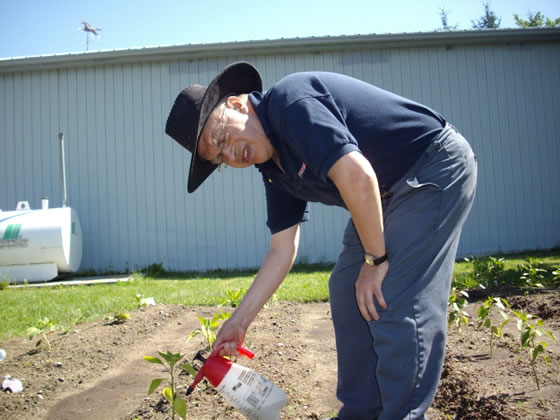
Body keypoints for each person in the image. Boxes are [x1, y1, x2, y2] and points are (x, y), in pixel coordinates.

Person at [165, 61, 477, 420]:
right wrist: (239, 321)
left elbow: (357, 176)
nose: (231, 155)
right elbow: (282, 248)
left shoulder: (290, 103)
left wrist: (375, 261)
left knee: (389, 293)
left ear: (235, 104)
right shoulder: (273, 169)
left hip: (432, 166)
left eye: (221, 139)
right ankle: (360, 413)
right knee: (346, 289)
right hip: (386, 195)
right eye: (219, 158)